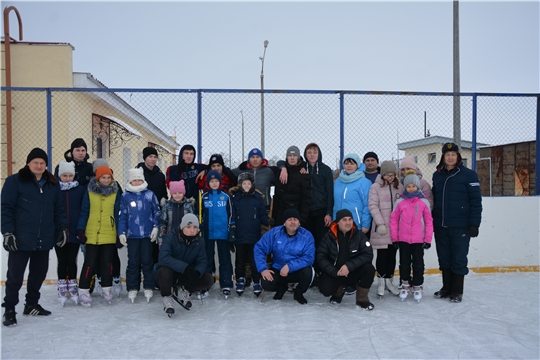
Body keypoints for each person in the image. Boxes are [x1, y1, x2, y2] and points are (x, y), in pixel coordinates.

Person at [1, 148, 67, 326]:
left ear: (46, 165)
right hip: (21, 237)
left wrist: (62, 228)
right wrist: (8, 232)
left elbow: (59, 209)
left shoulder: (52, 184)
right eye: (35, 162)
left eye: (42, 163)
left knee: (38, 273)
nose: (39, 166)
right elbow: (5, 208)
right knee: (15, 276)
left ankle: (31, 304)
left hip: (44, 237)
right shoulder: (14, 181)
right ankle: (9, 309)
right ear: (28, 163)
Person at [432, 143, 482, 303]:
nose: (450, 157)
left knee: (459, 258)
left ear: (458, 156)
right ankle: (446, 288)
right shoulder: (437, 175)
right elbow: (434, 199)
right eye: (447, 154)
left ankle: (457, 291)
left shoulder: (469, 175)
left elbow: (476, 201)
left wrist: (474, 223)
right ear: (443, 157)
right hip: (440, 225)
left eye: (453, 154)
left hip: (461, 225)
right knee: (444, 257)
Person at [76, 165, 122, 307]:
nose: (106, 180)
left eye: (109, 177)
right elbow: (84, 211)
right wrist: (81, 229)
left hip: (109, 232)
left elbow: (117, 214)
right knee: (90, 263)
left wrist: (118, 234)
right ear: (98, 178)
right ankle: (83, 290)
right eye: (103, 177)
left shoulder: (116, 192)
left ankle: (106, 289)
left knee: (107, 263)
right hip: (92, 233)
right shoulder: (89, 192)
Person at [156, 214, 214, 318]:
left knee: (208, 279)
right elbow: (163, 258)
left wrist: (196, 272)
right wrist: (185, 268)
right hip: (171, 273)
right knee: (164, 271)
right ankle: (167, 297)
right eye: (188, 227)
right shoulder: (170, 237)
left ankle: (185, 290)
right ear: (182, 227)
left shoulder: (200, 241)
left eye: (195, 227)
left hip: (186, 275)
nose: (192, 230)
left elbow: (202, 261)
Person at [316, 209, 376, 310]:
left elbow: (368, 254)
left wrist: (349, 266)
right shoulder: (328, 237)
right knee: (325, 290)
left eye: (350, 219)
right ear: (338, 222)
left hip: (352, 271)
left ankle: (362, 299)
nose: (348, 222)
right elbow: (320, 257)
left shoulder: (360, 236)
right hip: (335, 273)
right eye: (344, 220)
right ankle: (338, 292)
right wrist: (334, 272)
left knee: (369, 269)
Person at [253, 208, 315, 305]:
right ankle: (281, 288)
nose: (293, 222)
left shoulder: (307, 236)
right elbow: (259, 248)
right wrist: (263, 269)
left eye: (295, 219)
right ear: (284, 223)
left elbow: (309, 258)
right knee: (266, 283)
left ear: (299, 223)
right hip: (278, 268)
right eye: (289, 219)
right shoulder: (275, 233)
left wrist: (289, 267)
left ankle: (298, 293)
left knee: (308, 272)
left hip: (297, 270)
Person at [118, 168, 160, 303]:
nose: (136, 182)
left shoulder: (150, 195)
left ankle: (148, 285)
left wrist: (155, 227)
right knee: (133, 262)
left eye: (139, 180)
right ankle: (132, 287)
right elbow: (122, 215)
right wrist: (121, 232)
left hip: (147, 235)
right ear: (130, 181)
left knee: (147, 261)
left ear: (143, 180)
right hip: (132, 236)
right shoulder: (125, 196)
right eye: (134, 180)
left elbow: (157, 212)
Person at [390, 170, 433, 302]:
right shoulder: (400, 202)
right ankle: (405, 284)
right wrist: (395, 238)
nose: (411, 188)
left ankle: (417, 285)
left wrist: (428, 239)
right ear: (405, 187)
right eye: (408, 186)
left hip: (418, 240)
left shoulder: (423, 203)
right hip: (403, 239)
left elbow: (429, 221)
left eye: (413, 186)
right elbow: (393, 220)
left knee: (418, 264)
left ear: (418, 187)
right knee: (404, 263)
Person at [229, 172, 275, 296]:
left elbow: (262, 216)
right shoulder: (235, 199)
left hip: (254, 236)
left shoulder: (257, 199)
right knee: (240, 260)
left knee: (254, 260)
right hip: (239, 236)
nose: (246, 186)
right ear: (240, 184)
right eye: (244, 183)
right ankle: (240, 279)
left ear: (252, 184)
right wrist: (232, 232)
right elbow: (231, 216)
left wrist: (267, 220)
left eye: (249, 183)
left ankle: (256, 280)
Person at [333, 153, 372, 295]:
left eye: (352, 163)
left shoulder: (364, 182)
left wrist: (365, 224)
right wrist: (333, 221)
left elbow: (367, 204)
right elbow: (335, 203)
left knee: (355, 254)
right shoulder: (338, 181)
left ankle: (354, 282)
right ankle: (342, 281)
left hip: (356, 224)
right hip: (340, 225)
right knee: (342, 252)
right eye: (346, 163)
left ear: (357, 165)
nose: (349, 165)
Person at [368, 160, 403, 298]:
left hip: (395, 228)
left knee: (392, 256)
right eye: (387, 175)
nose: (390, 178)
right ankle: (381, 282)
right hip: (381, 228)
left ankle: (389, 281)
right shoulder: (375, 187)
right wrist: (380, 223)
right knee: (382, 256)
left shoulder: (399, 187)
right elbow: (373, 206)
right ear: (382, 175)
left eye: (392, 175)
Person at [55, 161, 86, 306]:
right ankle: (62, 285)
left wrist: (81, 228)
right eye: (64, 175)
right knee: (62, 260)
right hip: (59, 232)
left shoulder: (79, 190)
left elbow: (83, 210)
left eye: (70, 175)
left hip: (74, 231)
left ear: (74, 176)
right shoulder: (54, 190)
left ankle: (73, 284)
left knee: (72, 260)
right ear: (59, 176)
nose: (67, 178)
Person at [201, 170, 234, 298]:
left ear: (220, 182)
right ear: (208, 183)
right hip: (208, 234)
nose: (214, 183)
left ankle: (226, 283)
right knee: (207, 259)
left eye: (216, 181)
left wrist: (231, 229)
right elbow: (200, 214)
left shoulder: (226, 197)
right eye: (211, 181)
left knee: (224, 259)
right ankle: (206, 283)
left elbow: (231, 215)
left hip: (223, 233)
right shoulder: (204, 197)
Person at [136, 146, 168, 269]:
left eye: (155, 157)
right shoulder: (138, 173)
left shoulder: (160, 175)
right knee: (142, 246)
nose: (153, 159)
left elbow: (163, 194)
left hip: (156, 213)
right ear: (145, 158)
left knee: (155, 245)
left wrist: (163, 206)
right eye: (150, 157)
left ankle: (154, 275)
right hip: (141, 213)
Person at [272, 146, 312, 225]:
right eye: (290, 156)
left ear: (298, 157)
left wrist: (302, 220)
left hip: (296, 214)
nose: (292, 158)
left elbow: (306, 198)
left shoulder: (303, 172)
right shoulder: (280, 171)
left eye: (294, 156)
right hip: (281, 213)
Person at [157, 180, 196, 247]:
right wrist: (161, 240)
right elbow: (162, 223)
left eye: (180, 193)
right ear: (171, 194)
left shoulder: (188, 206)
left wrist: (193, 238)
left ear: (183, 193)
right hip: (170, 238)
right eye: (175, 193)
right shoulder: (167, 206)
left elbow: (193, 223)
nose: (177, 195)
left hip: (186, 238)